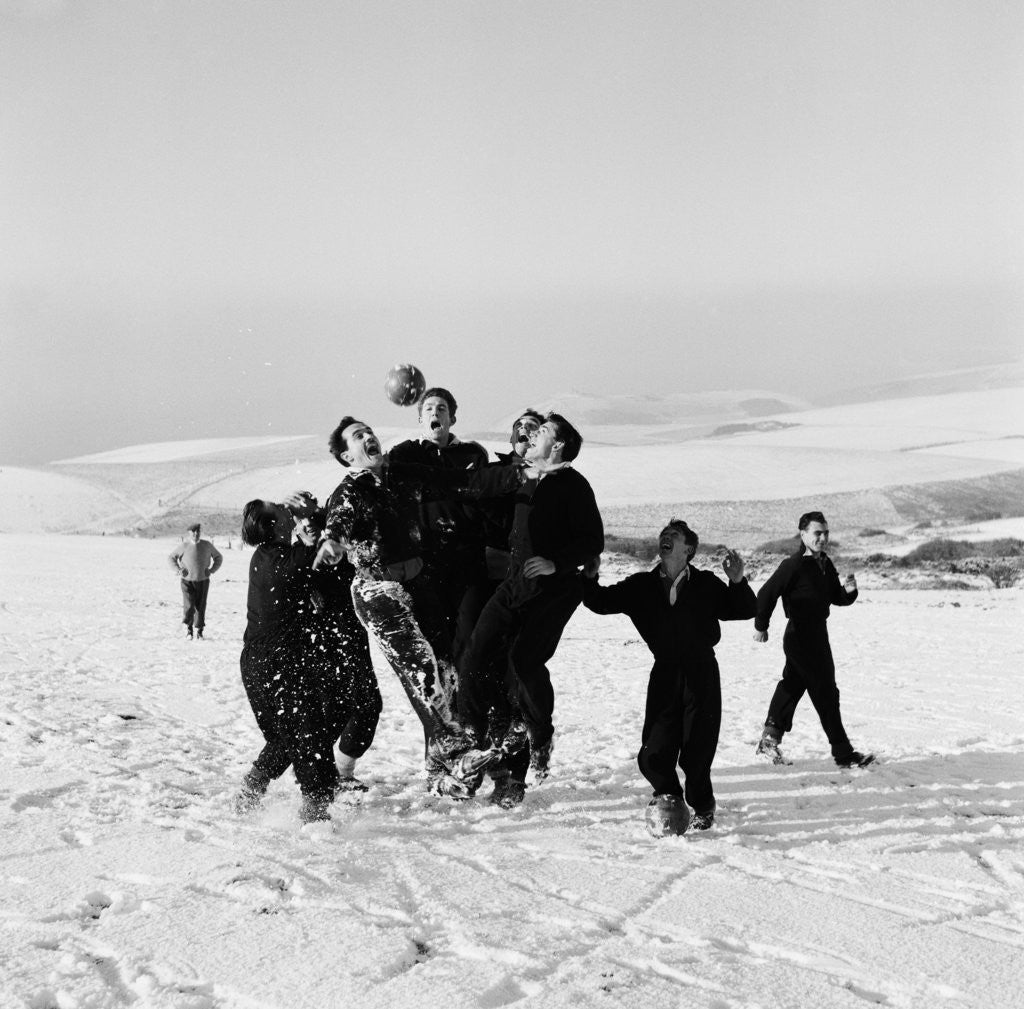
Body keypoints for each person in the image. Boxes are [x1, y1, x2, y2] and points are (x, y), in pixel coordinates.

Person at [314, 415, 535, 796]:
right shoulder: (349, 492)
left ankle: (438, 773)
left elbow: (461, 483)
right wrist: (332, 543)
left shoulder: (400, 472)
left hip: (419, 587)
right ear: (346, 457)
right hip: (378, 592)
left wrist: (519, 474)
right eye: (357, 437)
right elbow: (338, 523)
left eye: (369, 430)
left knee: (448, 673)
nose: (368, 436)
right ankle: (455, 750)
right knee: (422, 670)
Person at [457, 412, 604, 808]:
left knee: (523, 663)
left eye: (541, 432)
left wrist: (557, 561)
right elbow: (477, 493)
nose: (532, 435)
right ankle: (470, 740)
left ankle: (539, 732)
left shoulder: (574, 485)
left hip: (555, 589)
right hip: (514, 584)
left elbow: (593, 540)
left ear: (557, 445)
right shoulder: (521, 476)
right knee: (473, 655)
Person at [581, 520, 756, 835]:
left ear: (688, 549)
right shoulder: (641, 586)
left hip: (702, 672)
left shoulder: (706, 583)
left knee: (697, 751)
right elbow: (600, 602)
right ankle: (670, 798)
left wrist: (738, 581)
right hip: (665, 673)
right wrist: (590, 575)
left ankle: (702, 806)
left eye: (673, 536)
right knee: (653, 753)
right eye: (664, 534)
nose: (665, 537)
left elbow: (742, 609)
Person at [233, 497, 381, 824]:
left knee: (290, 736)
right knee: (309, 737)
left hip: (260, 663)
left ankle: (251, 789)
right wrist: (315, 518)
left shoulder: (267, 556)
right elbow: (324, 555)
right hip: (278, 665)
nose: (289, 511)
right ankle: (314, 816)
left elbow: (318, 567)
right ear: (275, 525)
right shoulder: (287, 559)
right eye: (282, 511)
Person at [753, 511, 874, 768]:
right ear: (803, 534)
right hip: (799, 637)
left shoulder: (825, 564)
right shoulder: (793, 565)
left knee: (792, 686)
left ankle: (769, 740)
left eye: (826, 533)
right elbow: (766, 593)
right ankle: (843, 753)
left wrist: (850, 592)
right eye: (817, 533)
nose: (823, 538)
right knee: (826, 693)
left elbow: (836, 597)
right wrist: (761, 626)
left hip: (818, 635)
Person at [387, 387, 490, 659]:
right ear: (420, 419)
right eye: (429, 408)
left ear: (452, 419)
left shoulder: (473, 454)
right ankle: (444, 699)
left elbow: (481, 498)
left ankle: (463, 699)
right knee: (434, 642)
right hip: (425, 562)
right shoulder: (404, 454)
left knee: (469, 638)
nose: (435, 412)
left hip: (468, 560)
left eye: (442, 408)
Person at [168, 523, 222, 639]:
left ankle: (200, 631)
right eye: (193, 532)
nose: (196, 534)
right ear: (189, 533)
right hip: (187, 581)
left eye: (198, 531)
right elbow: (171, 558)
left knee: (200, 606)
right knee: (189, 605)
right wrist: (178, 570)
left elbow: (218, 557)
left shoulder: (207, 545)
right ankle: (189, 630)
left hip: (202, 580)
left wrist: (212, 570)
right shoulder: (184, 546)